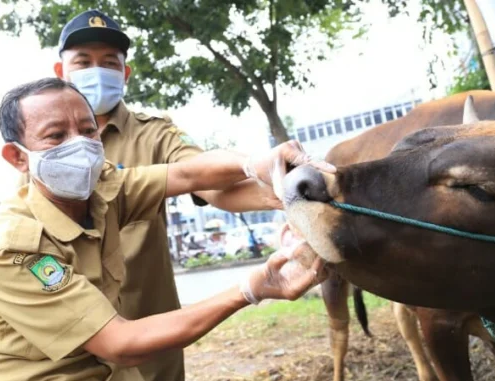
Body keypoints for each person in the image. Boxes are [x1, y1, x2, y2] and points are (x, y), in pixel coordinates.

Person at [17, 9, 312, 380]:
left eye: (109, 62)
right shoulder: (38, 147)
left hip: (152, 319)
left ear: (125, 73)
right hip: (74, 323)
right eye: (83, 61)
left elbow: (204, 177)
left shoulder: (153, 133)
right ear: (61, 73)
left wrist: (290, 190)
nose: (96, 71)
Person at [0, 77, 331, 381]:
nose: (78, 145)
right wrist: (251, 289)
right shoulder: (12, 250)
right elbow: (120, 344)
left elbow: (188, 174)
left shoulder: (102, 190)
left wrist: (255, 164)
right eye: (55, 135)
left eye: (86, 130)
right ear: (18, 157)